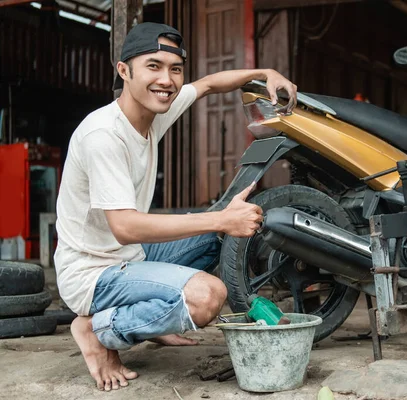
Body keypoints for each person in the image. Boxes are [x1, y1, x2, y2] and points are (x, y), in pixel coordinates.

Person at [54, 22, 297, 392]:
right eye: (153, 66)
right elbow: (126, 227)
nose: (166, 80)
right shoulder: (103, 135)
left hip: (127, 255)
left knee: (220, 237)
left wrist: (265, 73)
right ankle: (95, 329)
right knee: (207, 296)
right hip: (92, 273)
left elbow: (211, 84)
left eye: (175, 69)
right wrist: (221, 217)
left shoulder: (155, 109)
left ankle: (155, 323)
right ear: (124, 71)